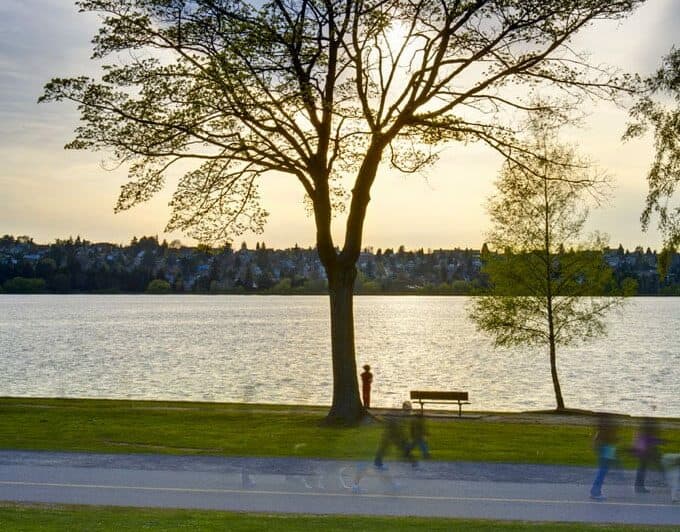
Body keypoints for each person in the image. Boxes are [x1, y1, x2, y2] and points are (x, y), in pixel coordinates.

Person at [590, 413, 618, 501]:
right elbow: (609, 436)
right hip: (606, 447)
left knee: (603, 469)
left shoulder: (602, 421)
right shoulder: (608, 422)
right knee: (603, 470)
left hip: (603, 446)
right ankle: (595, 491)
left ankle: (595, 490)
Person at [632, 417, 663, 494]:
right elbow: (649, 435)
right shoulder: (649, 422)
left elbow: (642, 434)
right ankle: (639, 487)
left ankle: (639, 486)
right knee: (646, 467)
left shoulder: (646, 421)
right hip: (647, 448)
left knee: (643, 467)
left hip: (646, 448)